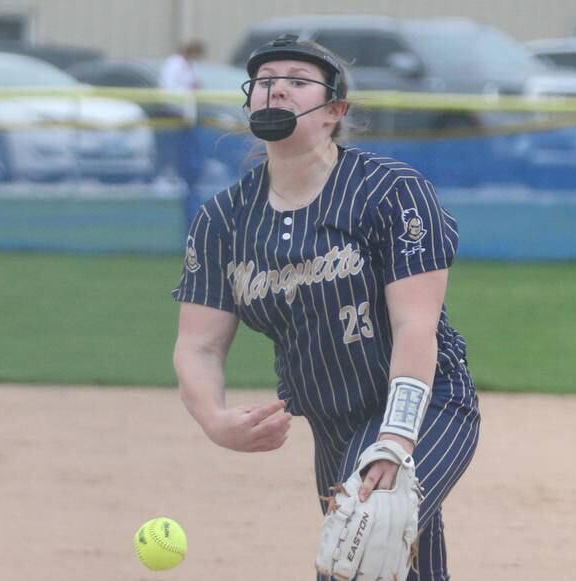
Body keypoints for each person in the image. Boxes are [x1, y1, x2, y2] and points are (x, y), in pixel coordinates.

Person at [172, 34, 480, 580]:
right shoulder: (223, 220)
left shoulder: (389, 192)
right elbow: (198, 344)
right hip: (332, 425)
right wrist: (214, 419)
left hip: (426, 406)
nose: (277, 91)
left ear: (334, 110)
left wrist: (396, 439)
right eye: (265, 82)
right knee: (401, 567)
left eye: (296, 82)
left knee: (357, 554)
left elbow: (416, 325)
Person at [159, 39, 207, 223]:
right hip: (175, 120)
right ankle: (168, 182)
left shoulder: (188, 66)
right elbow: (169, 91)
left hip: (188, 119)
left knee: (192, 168)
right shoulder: (174, 64)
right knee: (177, 163)